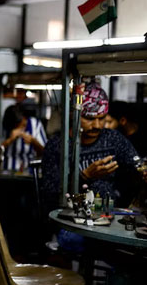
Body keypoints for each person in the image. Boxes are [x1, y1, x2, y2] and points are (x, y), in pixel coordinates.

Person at [40, 82, 138, 212]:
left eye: (102, 118)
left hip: (109, 213)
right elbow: (50, 193)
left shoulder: (113, 139)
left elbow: (136, 166)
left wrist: (142, 172)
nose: (97, 125)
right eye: (89, 118)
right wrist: (84, 176)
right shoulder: (57, 145)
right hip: (70, 214)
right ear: (74, 115)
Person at [1, 104, 46, 173]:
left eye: (23, 125)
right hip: (7, 171)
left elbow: (46, 152)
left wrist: (34, 141)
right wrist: (9, 140)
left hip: (30, 172)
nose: (21, 129)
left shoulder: (35, 125)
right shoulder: (5, 126)